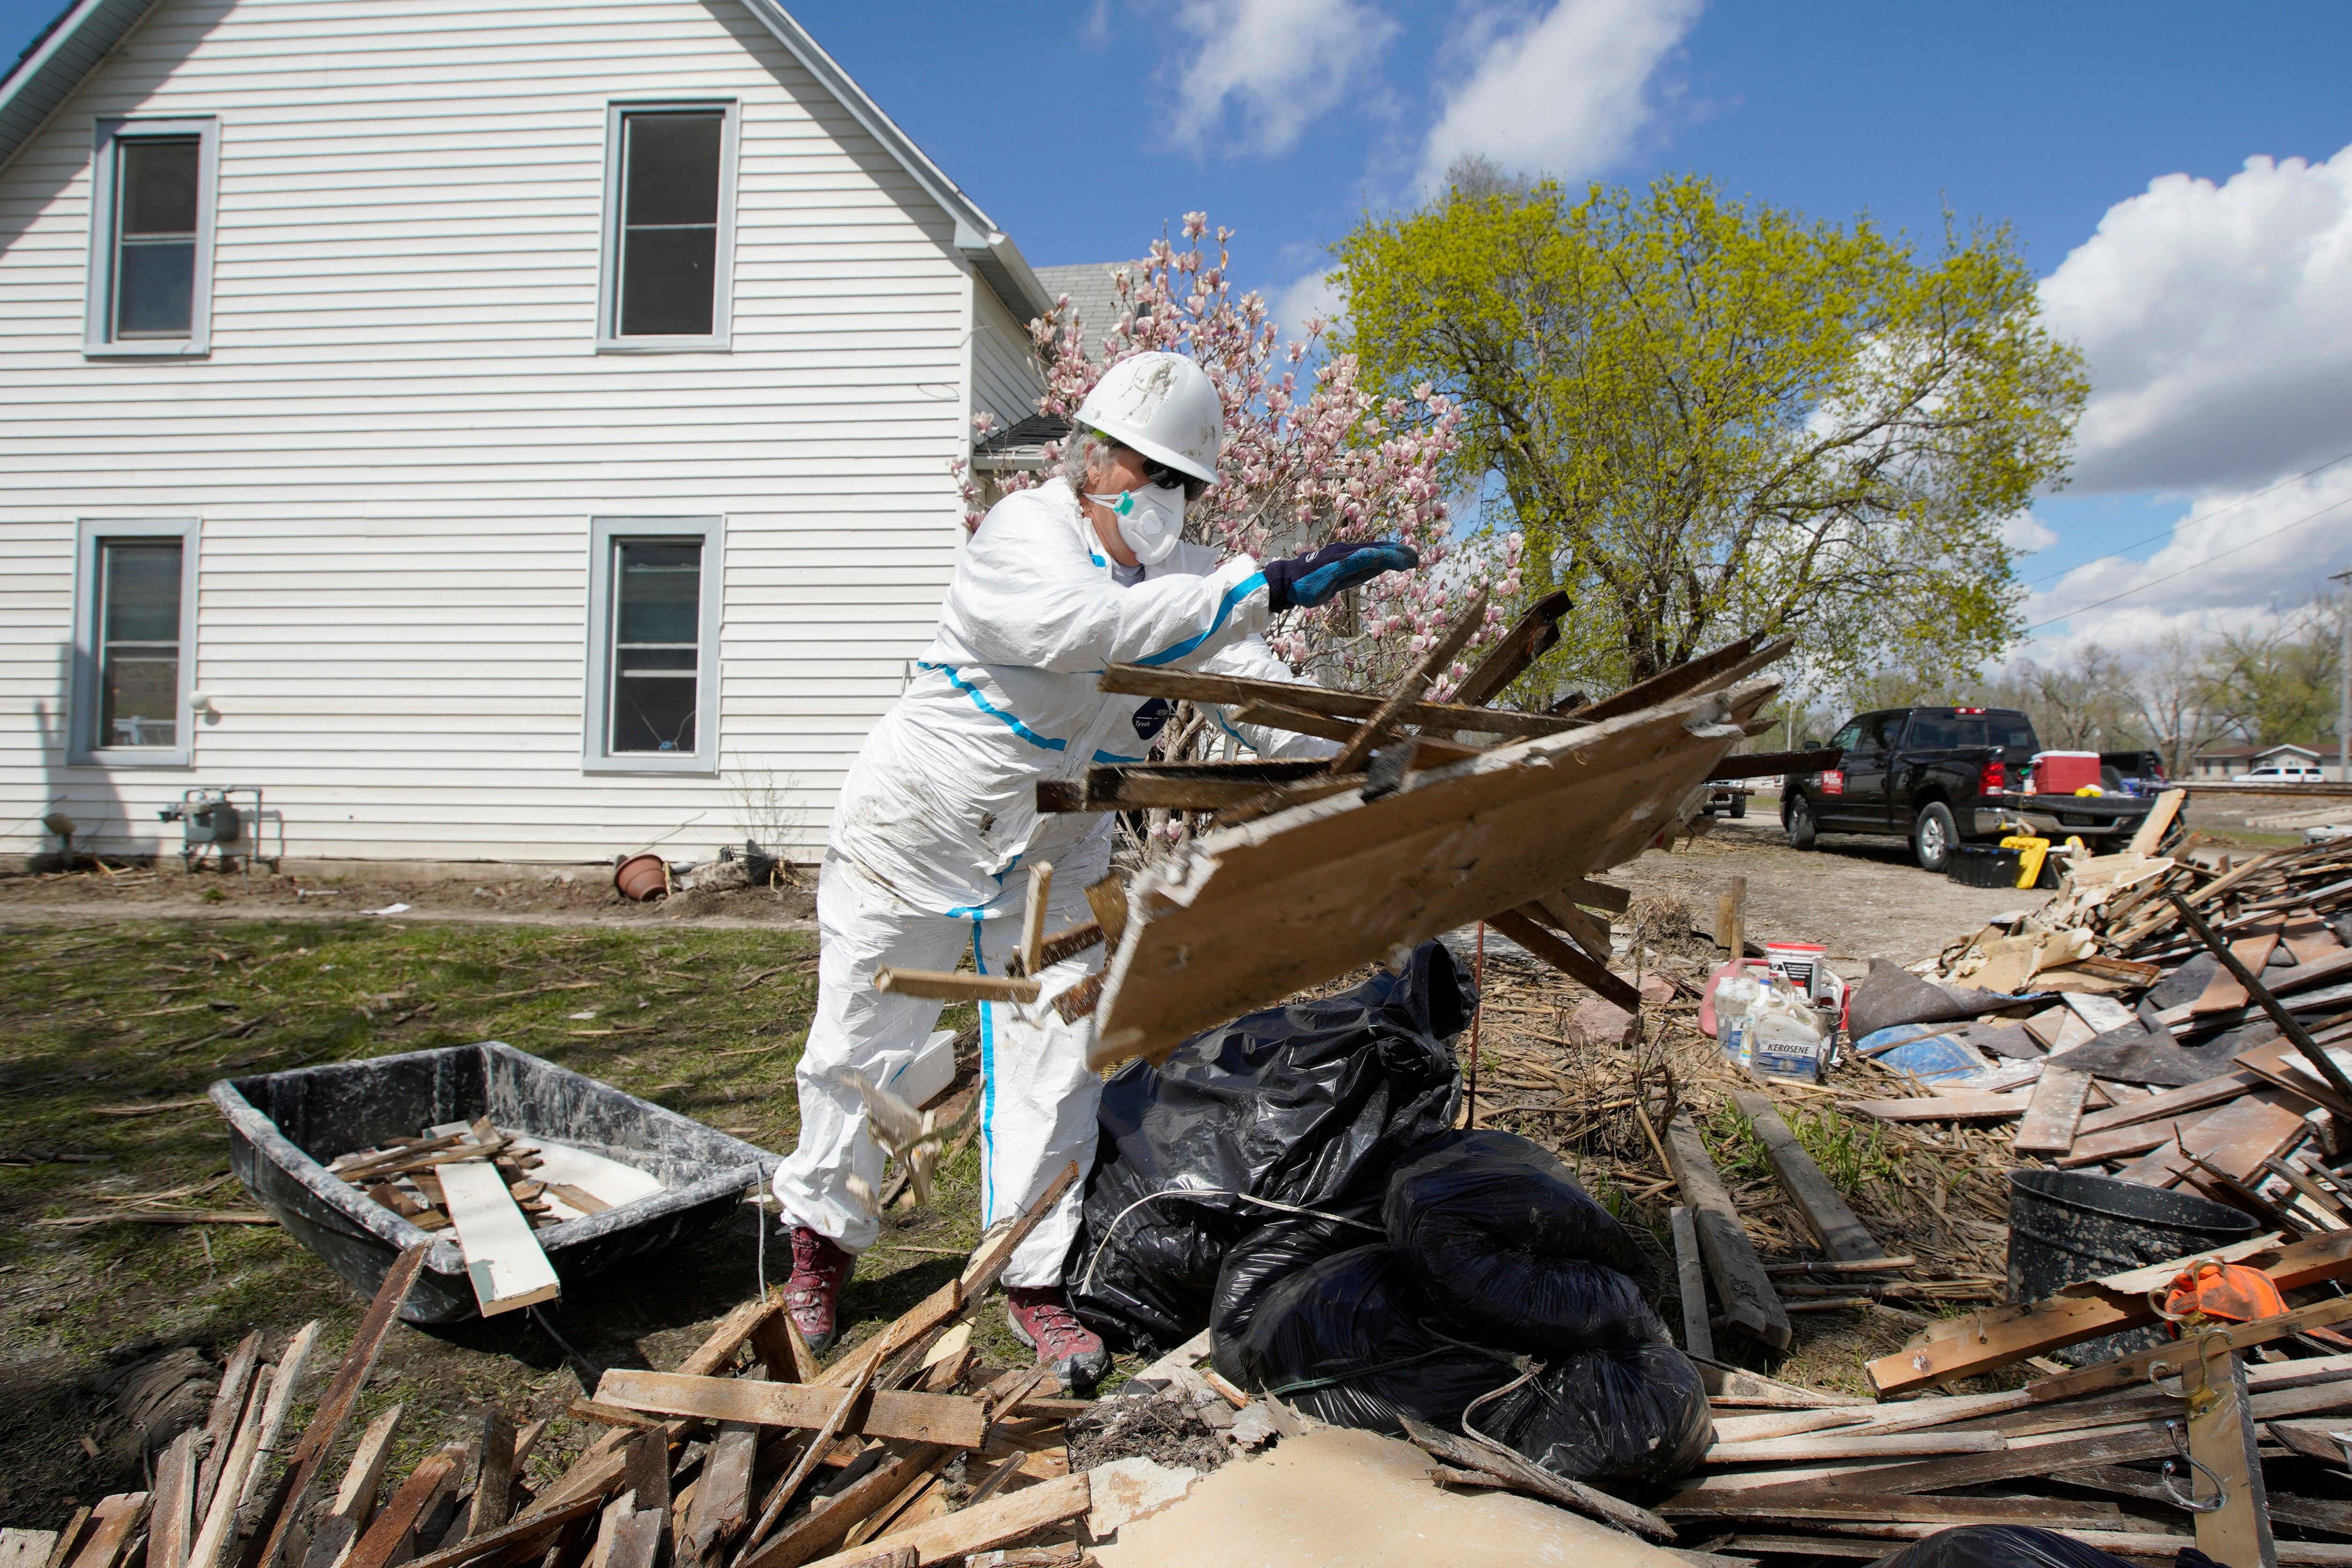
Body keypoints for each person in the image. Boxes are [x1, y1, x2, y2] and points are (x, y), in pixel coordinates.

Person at [771, 349, 1420, 1391]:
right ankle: (820, 1243)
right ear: (1090, 461)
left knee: (1057, 1060)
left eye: (1182, 484)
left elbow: (1255, 699)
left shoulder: (1192, 586)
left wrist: (1374, 760)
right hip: (918, 832)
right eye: (1141, 470)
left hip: (1056, 854)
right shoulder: (1021, 537)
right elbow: (1079, 632)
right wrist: (1261, 587)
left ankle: (1031, 1279)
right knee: (864, 1047)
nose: (1159, 497)